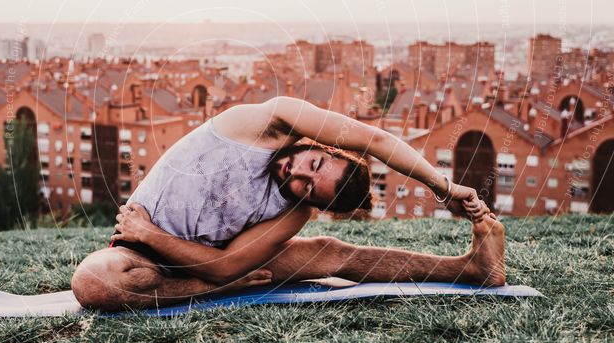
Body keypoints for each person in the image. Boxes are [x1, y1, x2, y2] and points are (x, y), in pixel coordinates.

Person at [71, 96, 504, 311]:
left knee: (331, 254)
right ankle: (214, 294)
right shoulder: (265, 122)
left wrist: (148, 231)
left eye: (310, 189)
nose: (298, 176)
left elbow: (224, 265)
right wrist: (443, 187)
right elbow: (375, 139)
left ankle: (472, 267)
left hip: (194, 258)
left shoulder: (294, 209)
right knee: (94, 282)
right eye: (313, 164)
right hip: (137, 254)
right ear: (327, 147)